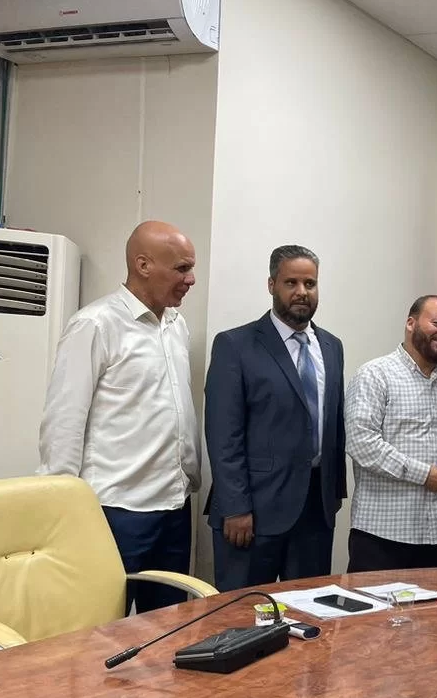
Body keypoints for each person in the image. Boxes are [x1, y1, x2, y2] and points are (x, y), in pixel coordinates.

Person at [39, 220, 200, 613]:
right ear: (143, 265)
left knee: (167, 626)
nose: (191, 279)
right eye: (181, 269)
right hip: (115, 511)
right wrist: (62, 510)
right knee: (103, 627)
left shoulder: (176, 326)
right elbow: (63, 423)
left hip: (174, 506)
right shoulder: (95, 324)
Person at [204, 245, 346, 592]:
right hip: (253, 512)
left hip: (315, 511)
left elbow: (335, 424)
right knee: (243, 613)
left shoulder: (331, 346)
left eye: (310, 283)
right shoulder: (235, 345)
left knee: (310, 610)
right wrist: (235, 508)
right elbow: (223, 435)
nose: (302, 292)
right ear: (271, 285)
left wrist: (334, 493)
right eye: (291, 282)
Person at [344, 294, 437, 572]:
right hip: (382, 534)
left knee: (435, 603)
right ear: (411, 323)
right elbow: (362, 443)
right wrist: (424, 475)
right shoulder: (375, 374)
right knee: (372, 603)